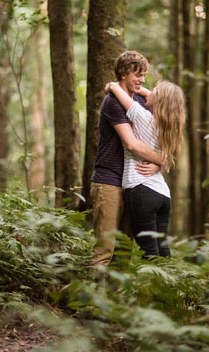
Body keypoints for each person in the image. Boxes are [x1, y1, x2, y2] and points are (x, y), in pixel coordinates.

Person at [89, 51, 164, 267]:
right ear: (123, 72)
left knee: (124, 250)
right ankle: (90, 300)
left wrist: (120, 85)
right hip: (109, 181)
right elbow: (131, 144)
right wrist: (162, 160)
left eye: (144, 75)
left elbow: (165, 103)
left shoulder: (139, 98)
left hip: (133, 183)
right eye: (137, 75)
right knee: (106, 248)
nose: (141, 80)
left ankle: (114, 300)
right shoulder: (112, 103)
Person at [105, 80, 186, 258]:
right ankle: (168, 285)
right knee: (163, 251)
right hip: (163, 194)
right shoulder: (168, 127)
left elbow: (119, 93)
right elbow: (157, 97)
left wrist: (113, 85)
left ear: (160, 101)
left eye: (154, 92)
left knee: (150, 252)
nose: (148, 93)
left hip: (142, 190)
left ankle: (153, 285)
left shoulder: (143, 117)